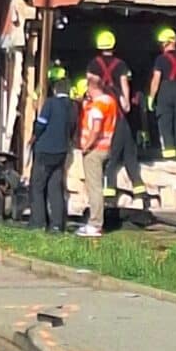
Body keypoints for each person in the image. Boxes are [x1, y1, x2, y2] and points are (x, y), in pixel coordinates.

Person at [89, 30, 148, 205]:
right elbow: (124, 88)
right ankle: (140, 192)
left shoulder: (94, 64)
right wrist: (126, 105)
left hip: (106, 115)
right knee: (130, 156)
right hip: (120, 117)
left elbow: (90, 86)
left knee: (112, 158)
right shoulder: (121, 64)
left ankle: (109, 195)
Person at [26, 76, 76, 232]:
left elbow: (41, 125)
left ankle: (38, 223)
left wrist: (33, 138)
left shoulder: (50, 103)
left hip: (45, 150)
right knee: (55, 188)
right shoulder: (73, 107)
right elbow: (73, 128)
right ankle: (57, 224)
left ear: (55, 90)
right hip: (61, 151)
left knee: (37, 187)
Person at [76, 70, 117, 238]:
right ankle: (95, 221)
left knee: (94, 188)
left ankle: (95, 223)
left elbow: (96, 128)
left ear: (90, 88)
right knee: (97, 186)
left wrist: (86, 146)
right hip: (106, 147)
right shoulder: (110, 102)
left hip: (94, 150)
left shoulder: (97, 107)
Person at [148, 27, 176, 161]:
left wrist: (151, 96)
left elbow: (156, 79)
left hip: (165, 91)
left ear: (166, 43)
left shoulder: (160, 59)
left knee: (165, 123)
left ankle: (169, 154)